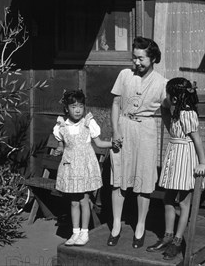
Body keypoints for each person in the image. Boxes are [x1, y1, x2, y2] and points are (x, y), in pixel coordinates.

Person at [108, 36, 169, 249]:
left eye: (141, 58)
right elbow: (115, 104)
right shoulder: (125, 75)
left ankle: (140, 226)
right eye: (134, 58)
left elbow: (169, 110)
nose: (136, 62)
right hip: (124, 128)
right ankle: (116, 225)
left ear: (152, 58)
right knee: (119, 177)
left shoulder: (162, 83)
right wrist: (115, 131)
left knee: (144, 180)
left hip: (146, 130)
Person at [146, 78, 205, 260]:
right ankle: (168, 236)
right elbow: (163, 106)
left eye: (170, 93)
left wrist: (202, 163)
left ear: (177, 96)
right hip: (174, 153)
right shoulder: (174, 110)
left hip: (186, 157)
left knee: (183, 202)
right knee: (168, 198)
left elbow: (197, 140)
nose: (167, 97)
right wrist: (169, 100)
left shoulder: (188, 114)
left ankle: (178, 241)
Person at [53, 89, 112, 246]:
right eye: (73, 106)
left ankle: (84, 233)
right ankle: (75, 232)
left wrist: (114, 144)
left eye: (80, 106)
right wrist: (58, 150)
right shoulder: (61, 125)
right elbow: (61, 145)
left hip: (85, 166)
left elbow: (99, 143)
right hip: (71, 166)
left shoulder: (88, 122)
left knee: (84, 200)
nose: (77, 109)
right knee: (73, 202)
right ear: (67, 108)